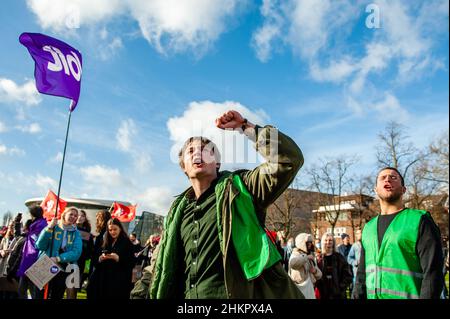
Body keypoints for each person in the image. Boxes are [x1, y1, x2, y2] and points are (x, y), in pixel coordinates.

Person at [149, 110, 304, 299]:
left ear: (217, 163)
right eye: (191, 151)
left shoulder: (241, 188)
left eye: (207, 150)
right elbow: (159, 264)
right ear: (183, 166)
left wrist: (245, 127)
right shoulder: (176, 212)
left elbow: (289, 159)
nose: (198, 153)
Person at [354, 167, 444, 299]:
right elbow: (361, 275)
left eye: (393, 177)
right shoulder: (368, 228)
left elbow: (433, 273)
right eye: (382, 177)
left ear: (403, 190)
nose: (388, 179)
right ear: (375, 190)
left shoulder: (419, 220)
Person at [36, 207, 82, 299]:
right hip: (45, 265)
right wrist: (49, 228)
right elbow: (40, 246)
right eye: (71, 214)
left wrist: (59, 258)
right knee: (40, 295)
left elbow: (76, 252)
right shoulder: (53, 226)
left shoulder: (76, 233)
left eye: (75, 215)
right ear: (64, 214)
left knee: (57, 294)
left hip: (63, 268)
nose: (73, 217)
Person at [87, 218, 135, 299]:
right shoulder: (105, 241)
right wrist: (100, 258)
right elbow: (95, 257)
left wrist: (118, 258)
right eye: (110, 230)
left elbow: (132, 262)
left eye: (115, 229)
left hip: (117, 282)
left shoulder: (127, 243)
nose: (112, 232)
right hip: (102, 279)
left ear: (120, 228)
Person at [16, 205, 48, 299]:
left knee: (33, 291)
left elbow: (37, 241)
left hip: (34, 260)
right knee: (22, 289)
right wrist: (18, 223)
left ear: (32, 213)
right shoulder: (35, 224)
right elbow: (21, 235)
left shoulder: (41, 224)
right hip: (27, 259)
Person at [0, 219, 32, 299]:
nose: (12, 228)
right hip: (3, 268)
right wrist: (1, 251)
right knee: (3, 292)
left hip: (14, 270)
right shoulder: (5, 238)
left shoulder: (21, 238)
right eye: (10, 226)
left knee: (13, 293)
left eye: (14, 226)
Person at [316, 233, 353, 299]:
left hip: (338, 294)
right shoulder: (319, 259)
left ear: (333, 243)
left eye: (330, 240)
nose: (328, 242)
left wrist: (340, 287)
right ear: (322, 242)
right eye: (326, 240)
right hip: (323, 294)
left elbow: (348, 275)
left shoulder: (339, 258)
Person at [67, 209, 93, 299]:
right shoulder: (67, 229)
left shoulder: (88, 234)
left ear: (85, 219)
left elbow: (90, 251)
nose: (80, 217)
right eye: (78, 215)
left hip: (79, 264)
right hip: (65, 261)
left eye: (82, 216)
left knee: (73, 288)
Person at [288, 233, 322, 299]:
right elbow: (293, 264)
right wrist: (306, 257)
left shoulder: (310, 255)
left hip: (310, 289)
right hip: (298, 289)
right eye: (308, 242)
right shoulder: (295, 254)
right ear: (302, 243)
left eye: (310, 242)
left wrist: (315, 271)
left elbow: (320, 275)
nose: (310, 244)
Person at [88, 210, 111, 277]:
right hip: (96, 262)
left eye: (98, 217)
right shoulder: (103, 232)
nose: (97, 220)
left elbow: (103, 248)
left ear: (103, 219)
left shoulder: (106, 233)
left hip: (99, 263)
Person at [347, 228, 362, 299]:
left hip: (367, 272)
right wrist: (355, 262)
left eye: (361, 233)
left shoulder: (367, 244)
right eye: (358, 233)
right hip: (357, 273)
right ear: (356, 235)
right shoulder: (355, 246)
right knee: (356, 293)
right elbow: (349, 258)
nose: (360, 235)